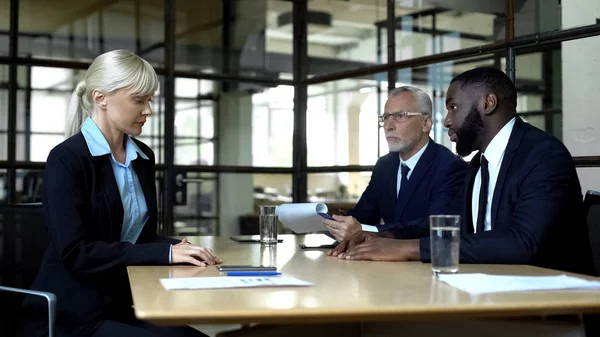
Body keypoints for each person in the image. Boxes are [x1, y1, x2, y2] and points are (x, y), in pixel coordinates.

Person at [24, 50, 222, 337]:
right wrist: (165, 251)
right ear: (100, 98)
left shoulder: (142, 157)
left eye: (149, 99)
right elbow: (76, 253)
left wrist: (184, 249)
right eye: (138, 100)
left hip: (121, 304)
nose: (149, 110)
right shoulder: (67, 158)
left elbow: (139, 239)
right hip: (73, 314)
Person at [330, 67, 595, 276]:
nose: (446, 120)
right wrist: (381, 236)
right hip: (488, 287)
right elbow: (443, 220)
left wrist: (407, 248)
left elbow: (521, 243)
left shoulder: (542, 155)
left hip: (551, 302)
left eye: (453, 107)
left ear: (487, 103)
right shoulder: (479, 163)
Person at [322, 86, 466, 242]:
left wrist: (370, 232)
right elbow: (362, 216)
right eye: (386, 117)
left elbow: (433, 225)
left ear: (426, 123)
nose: (388, 126)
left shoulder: (450, 166)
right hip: (382, 261)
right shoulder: (385, 165)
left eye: (400, 116)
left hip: (424, 262)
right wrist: (332, 222)